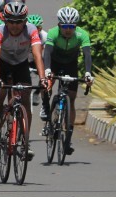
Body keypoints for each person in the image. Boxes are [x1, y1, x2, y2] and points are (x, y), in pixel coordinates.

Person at [0, 1, 49, 160]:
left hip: (21, 65)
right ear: (5, 20)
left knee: (25, 102)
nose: (15, 25)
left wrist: (42, 79)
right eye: (11, 21)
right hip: (3, 64)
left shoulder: (31, 30)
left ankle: (24, 141)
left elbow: (37, 55)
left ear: (25, 21)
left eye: (19, 21)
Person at [42, 7, 94, 155]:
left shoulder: (82, 34)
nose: (68, 30)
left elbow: (87, 55)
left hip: (71, 65)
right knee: (46, 85)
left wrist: (88, 72)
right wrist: (47, 70)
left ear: (75, 26)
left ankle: (68, 138)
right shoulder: (53, 33)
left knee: (71, 99)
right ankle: (46, 107)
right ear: (59, 25)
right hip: (54, 62)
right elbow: (47, 52)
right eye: (65, 26)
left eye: (71, 26)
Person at [27, 14, 47, 106]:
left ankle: (37, 93)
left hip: (36, 59)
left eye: (37, 28)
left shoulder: (45, 36)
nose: (35, 30)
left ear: (41, 28)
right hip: (25, 59)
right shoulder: (24, 34)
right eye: (32, 28)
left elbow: (48, 53)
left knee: (45, 73)